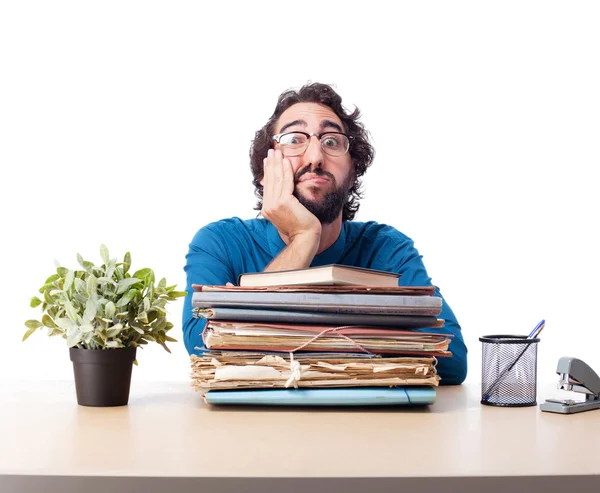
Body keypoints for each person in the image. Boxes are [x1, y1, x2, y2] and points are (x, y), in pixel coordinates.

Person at [182, 82, 467, 385]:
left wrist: (245, 326)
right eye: (294, 139)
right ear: (266, 172)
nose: (315, 156)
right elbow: (203, 348)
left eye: (332, 141)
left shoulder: (387, 249)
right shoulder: (220, 243)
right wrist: (304, 237)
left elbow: (452, 362)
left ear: (353, 168)